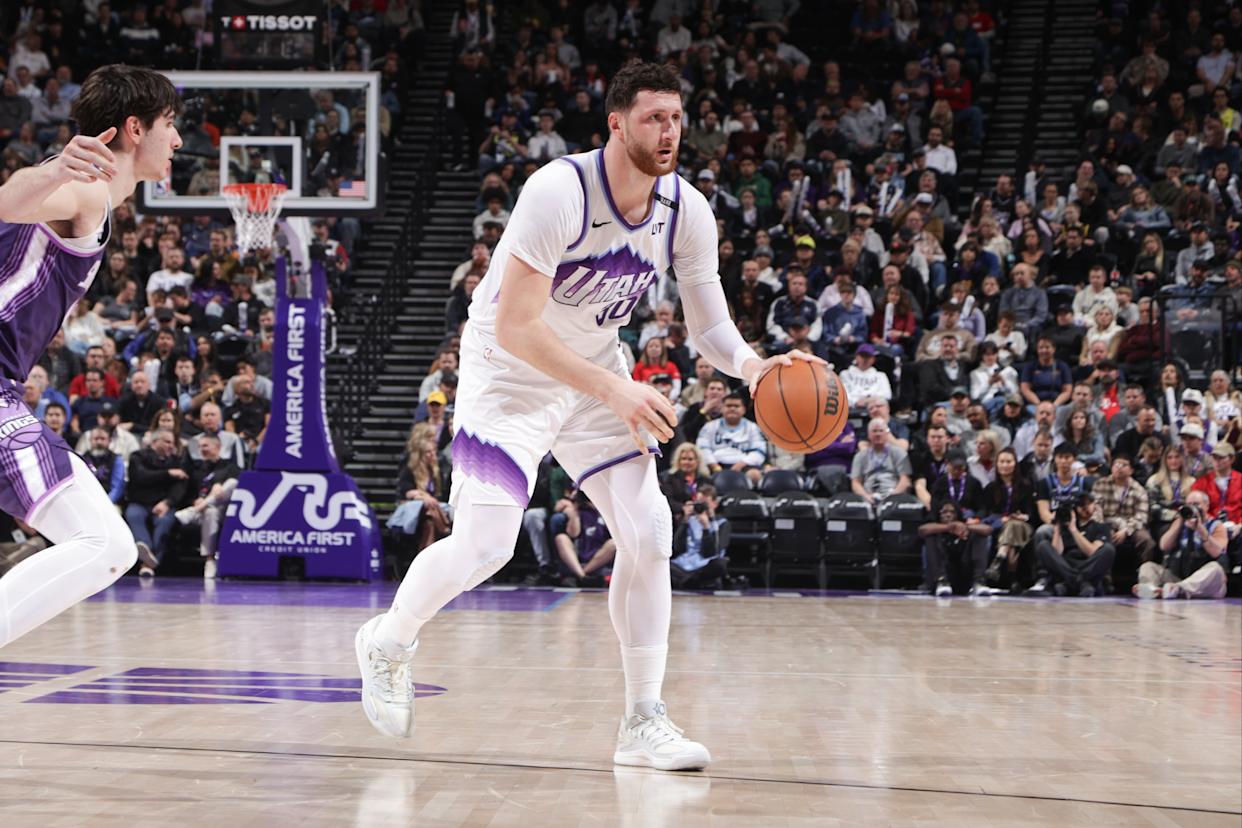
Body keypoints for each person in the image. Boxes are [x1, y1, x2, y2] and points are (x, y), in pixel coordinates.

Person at [352, 63, 825, 771]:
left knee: (651, 531)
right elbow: (517, 326)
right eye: (653, 118)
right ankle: (388, 641)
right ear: (617, 123)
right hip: (509, 376)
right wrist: (616, 389)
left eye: (676, 118)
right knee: (487, 545)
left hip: (595, 376)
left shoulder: (686, 210)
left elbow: (709, 327)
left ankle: (643, 720)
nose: (668, 133)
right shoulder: (560, 191)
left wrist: (754, 368)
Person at [0, 65, 182, 648]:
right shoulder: (85, 189)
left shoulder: (88, 195)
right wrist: (55, 168)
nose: (178, 139)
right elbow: (6, 202)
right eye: (169, 124)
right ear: (135, 128)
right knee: (106, 544)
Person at [921, 449, 994, 597]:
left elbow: (985, 520)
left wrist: (968, 524)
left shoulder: (974, 483)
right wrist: (950, 526)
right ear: (947, 465)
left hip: (968, 526)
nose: (958, 471)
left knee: (981, 536)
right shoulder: (939, 484)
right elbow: (925, 526)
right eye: (955, 467)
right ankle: (941, 580)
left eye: (961, 467)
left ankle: (979, 581)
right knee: (931, 536)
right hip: (943, 534)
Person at [1135, 490, 1229, 599]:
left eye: (1196, 504)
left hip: (1205, 582)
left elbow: (1217, 552)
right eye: (1189, 504)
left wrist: (1200, 528)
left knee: (1215, 569)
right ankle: (1150, 589)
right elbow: (1164, 546)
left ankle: (1179, 589)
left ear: (1206, 506)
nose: (1192, 508)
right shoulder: (1179, 523)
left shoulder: (1216, 525)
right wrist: (1179, 521)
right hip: (1177, 578)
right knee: (1148, 566)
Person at [172, 432, 241, 579]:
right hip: (201, 514)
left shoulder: (230, 467)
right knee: (209, 511)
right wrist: (194, 502)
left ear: (217, 446)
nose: (202, 449)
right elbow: (186, 494)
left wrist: (218, 484)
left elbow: (235, 487)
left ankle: (209, 560)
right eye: (200, 446)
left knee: (231, 484)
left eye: (205, 446)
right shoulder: (196, 469)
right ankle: (210, 559)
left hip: (224, 511)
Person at [1033, 492, 1116, 597]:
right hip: (1067, 565)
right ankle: (1081, 583)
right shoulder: (1065, 525)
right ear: (1076, 508)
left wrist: (1074, 530)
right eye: (1082, 504)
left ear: (1094, 505)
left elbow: (1091, 552)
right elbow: (1056, 553)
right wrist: (1058, 528)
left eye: (1089, 503)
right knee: (1043, 546)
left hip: (1088, 565)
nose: (1085, 507)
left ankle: (1069, 584)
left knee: (1108, 549)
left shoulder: (1101, 527)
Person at [1092, 455, 1155, 591]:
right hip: (1106, 522)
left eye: (1124, 465)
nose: (1119, 468)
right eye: (1116, 464)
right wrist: (1103, 527)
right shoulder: (1100, 484)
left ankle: (1144, 580)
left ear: (1131, 470)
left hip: (1130, 524)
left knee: (1146, 541)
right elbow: (1095, 510)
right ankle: (1104, 581)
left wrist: (1126, 530)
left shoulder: (1138, 489)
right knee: (1101, 538)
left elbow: (1141, 516)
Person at [982, 447, 1036, 590]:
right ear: (997, 464)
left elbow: (1032, 512)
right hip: (1000, 525)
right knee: (1012, 533)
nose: (1005, 465)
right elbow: (986, 513)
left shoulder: (1026, 486)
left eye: (1008, 461)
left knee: (1014, 525)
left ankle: (999, 559)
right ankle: (1012, 577)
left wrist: (1024, 516)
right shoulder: (990, 488)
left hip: (1023, 526)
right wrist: (1001, 519)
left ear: (1015, 464)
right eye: (1002, 462)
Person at [696, 394, 768, 484]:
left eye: (736, 406)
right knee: (702, 474)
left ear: (744, 410)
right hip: (715, 465)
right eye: (728, 406)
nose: (732, 409)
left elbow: (759, 452)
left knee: (755, 475)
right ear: (722, 408)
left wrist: (741, 464)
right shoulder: (709, 426)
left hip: (744, 465)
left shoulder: (752, 427)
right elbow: (702, 449)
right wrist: (714, 465)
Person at [553, 490, 616, 587]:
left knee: (613, 544)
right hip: (579, 556)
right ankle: (583, 576)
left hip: (599, 556)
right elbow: (574, 534)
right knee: (561, 538)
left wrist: (601, 509)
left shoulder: (607, 511)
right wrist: (574, 514)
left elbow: (613, 533)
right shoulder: (578, 511)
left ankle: (582, 575)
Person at [850, 417, 912, 506]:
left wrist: (893, 496)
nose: (878, 434)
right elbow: (855, 483)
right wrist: (866, 496)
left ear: (887, 434)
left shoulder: (899, 453)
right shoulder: (860, 456)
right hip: (868, 496)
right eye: (874, 431)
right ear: (868, 435)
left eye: (881, 431)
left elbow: (905, 480)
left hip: (893, 495)